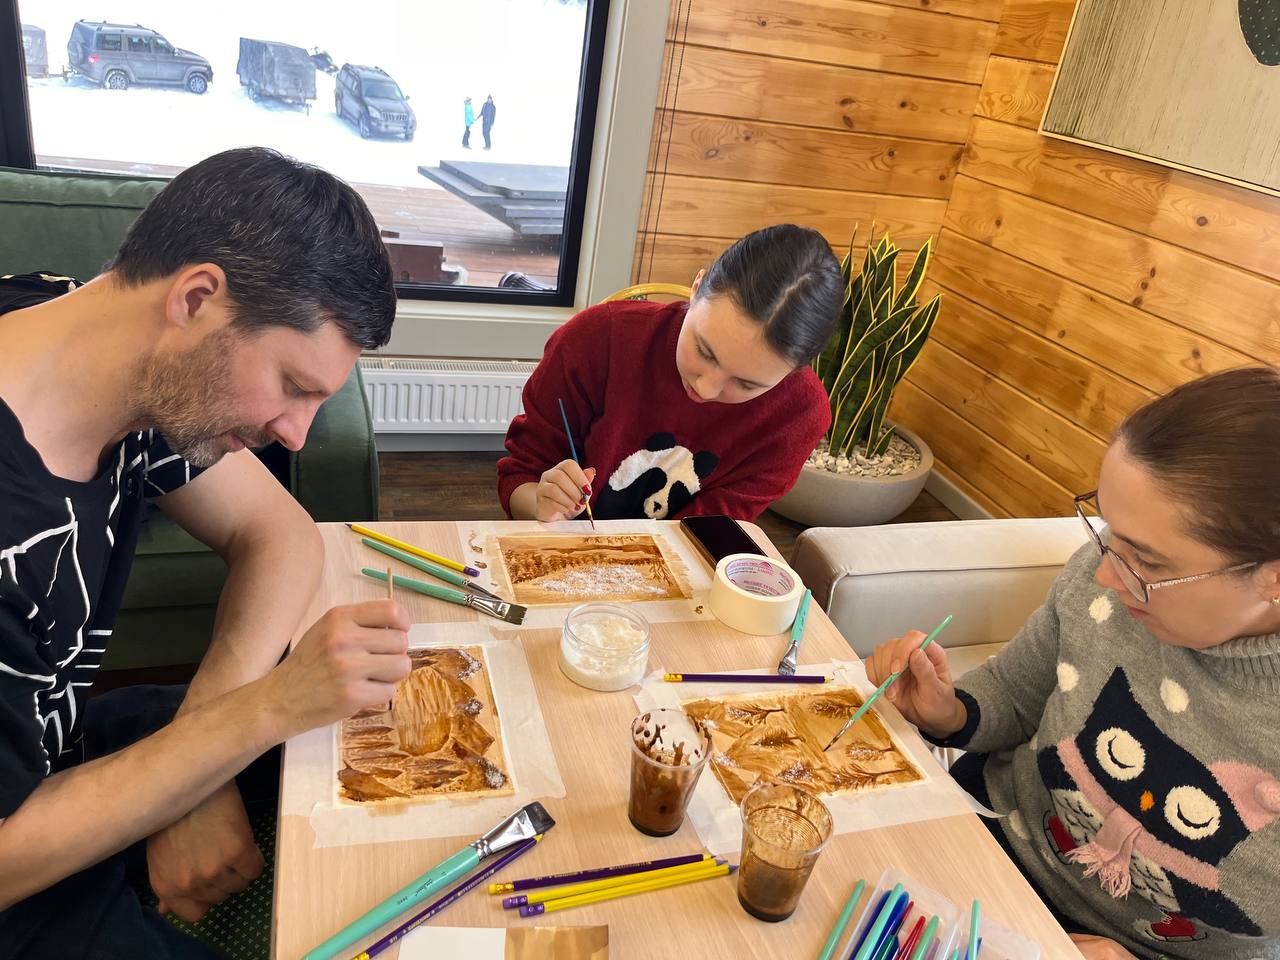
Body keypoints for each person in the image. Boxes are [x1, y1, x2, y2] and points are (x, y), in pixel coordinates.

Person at [0, 147, 412, 958]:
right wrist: (256, 715)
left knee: (376, 733)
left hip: (53, 747)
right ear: (196, 298)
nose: (296, 434)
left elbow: (280, 535)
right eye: (293, 385)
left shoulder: (89, 341)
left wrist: (205, 759)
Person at [866, 367, 1280, 960]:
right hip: (983, 839)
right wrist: (949, 712)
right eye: (1106, 527)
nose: (1105, 573)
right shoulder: (1101, 573)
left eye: (1148, 562)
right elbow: (1015, 692)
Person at [497, 224, 842, 523]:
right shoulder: (597, 338)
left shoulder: (799, 416)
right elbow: (521, 475)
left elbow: (710, 531)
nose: (706, 389)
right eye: (704, 351)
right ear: (697, 286)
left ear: (796, 369)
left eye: (746, 384)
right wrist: (542, 504)